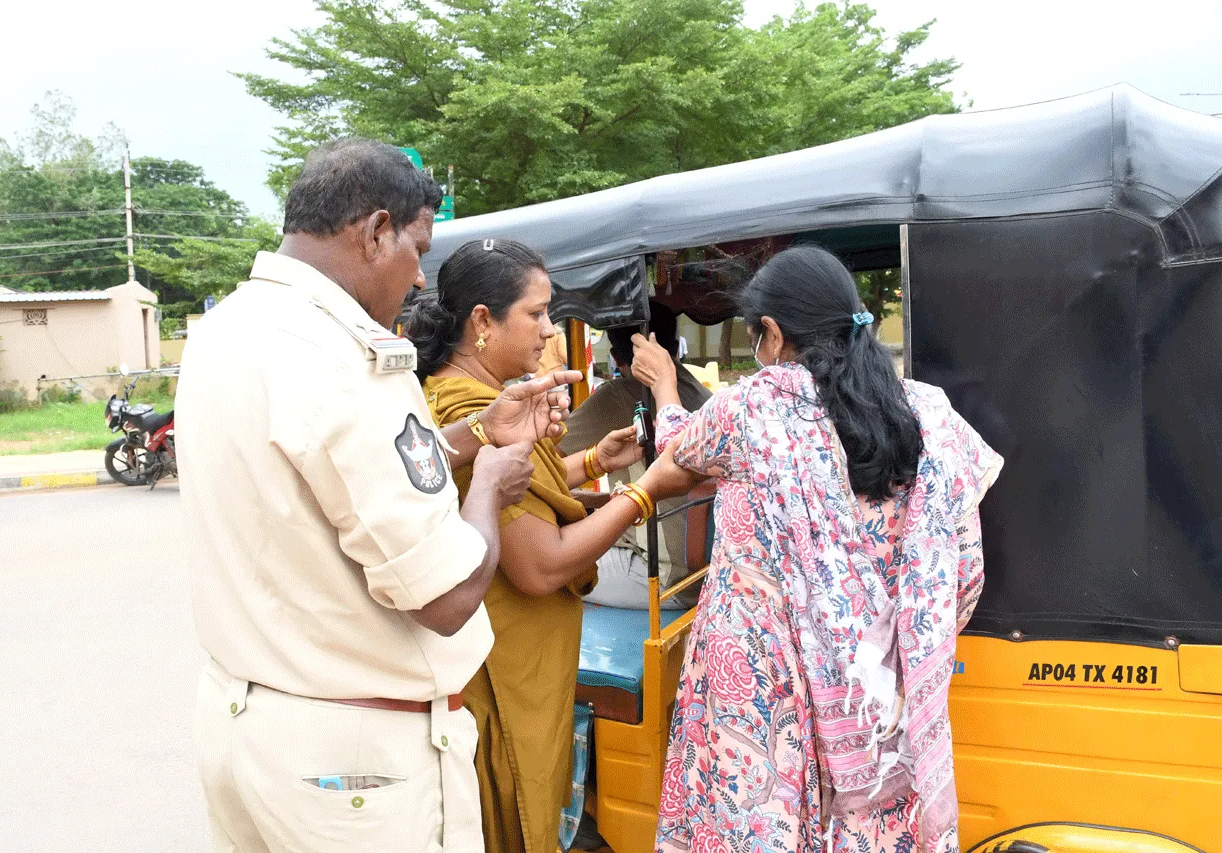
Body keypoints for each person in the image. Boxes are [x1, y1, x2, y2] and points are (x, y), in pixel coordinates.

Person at [177, 139, 581, 853]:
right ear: (374, 232)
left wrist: (470, 434)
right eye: (416, 248)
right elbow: (449, 595)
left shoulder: (228, 329)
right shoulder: (347, 359)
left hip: (246, 723)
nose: (421, 278)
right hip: (353, 765)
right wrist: (485, 482)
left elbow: (322, 477)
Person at [644, 245, 1003, 853]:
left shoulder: (750, 409)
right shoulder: (930, 417)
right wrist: (881, 652)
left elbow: (675, 457)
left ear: (774, 336)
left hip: (764, 689)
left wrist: (663, 394)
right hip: (877, 706)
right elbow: (962, 573)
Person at [405, 238, 689, 853]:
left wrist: (590, 462)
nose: (547, 331)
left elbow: (528, 491)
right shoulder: (470, 410)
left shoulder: (467, 402)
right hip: (504, 665)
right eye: (535, 314)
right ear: (483, 320)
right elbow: (541, 564)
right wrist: (645, 492)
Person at [558, 303, 712, 608]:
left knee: (543, 564)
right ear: (674, 347)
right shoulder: (700, 391)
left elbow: (542, 463)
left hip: (663, 577)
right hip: (706, 570)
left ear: (617, 358)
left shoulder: (619, 395)